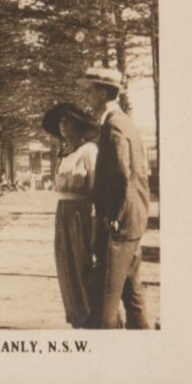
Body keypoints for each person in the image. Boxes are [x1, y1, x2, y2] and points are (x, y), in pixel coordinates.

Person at [83, 65, 150, 329]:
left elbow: (123, 174)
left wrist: (115, 215)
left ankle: (105, 357)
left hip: (119, 224)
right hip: (134, 220)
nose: (87, 97)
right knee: (132, 294)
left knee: (105, 301)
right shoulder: (127, 123)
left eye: (89, 91)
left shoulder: (113, 126)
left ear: (101, 93)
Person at [42, 101, 99, 329]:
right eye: (61, 122)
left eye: (68, 121)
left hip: (81, 214)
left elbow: (96, 190)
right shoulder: (63, 154)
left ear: (79, 124)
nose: (63, 126)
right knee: (66, 266)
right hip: (63, 214)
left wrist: (95, 223)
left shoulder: (89, 151)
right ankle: (77, 317)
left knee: (83, 266)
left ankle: (93, 317)